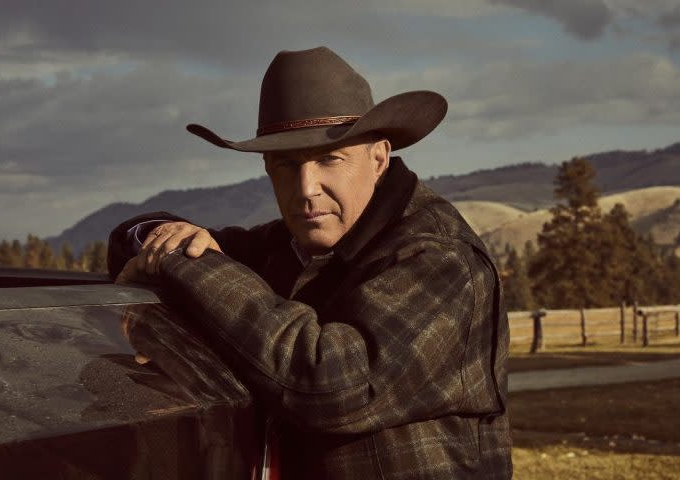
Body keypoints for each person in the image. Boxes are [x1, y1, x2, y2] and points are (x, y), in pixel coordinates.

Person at [108, 46, 512, 479]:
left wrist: (185, 263)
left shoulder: (440, 257)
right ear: (266, 169)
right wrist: (160, 238)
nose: (306, 188)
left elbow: (332, 383)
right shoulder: (291, 244)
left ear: (378, 158)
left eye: (328, 159)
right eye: (286, 165)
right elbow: (134, 239)